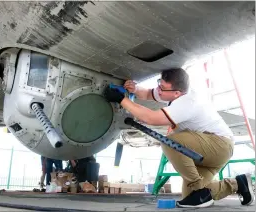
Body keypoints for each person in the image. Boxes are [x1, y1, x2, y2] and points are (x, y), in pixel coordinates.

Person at [104, 68, 254, 208]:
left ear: (176, 93)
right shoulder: (173, 91)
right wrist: (135, 89)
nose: (158, 90)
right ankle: (237, 184)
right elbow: (148, 94)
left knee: (170, 143)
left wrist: (121, 100)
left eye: (162, 88)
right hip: (203, 153)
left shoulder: (187, 103)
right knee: (190, 197)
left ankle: (198, 188)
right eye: (159, 84)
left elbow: (151, 118)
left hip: (220, 146)